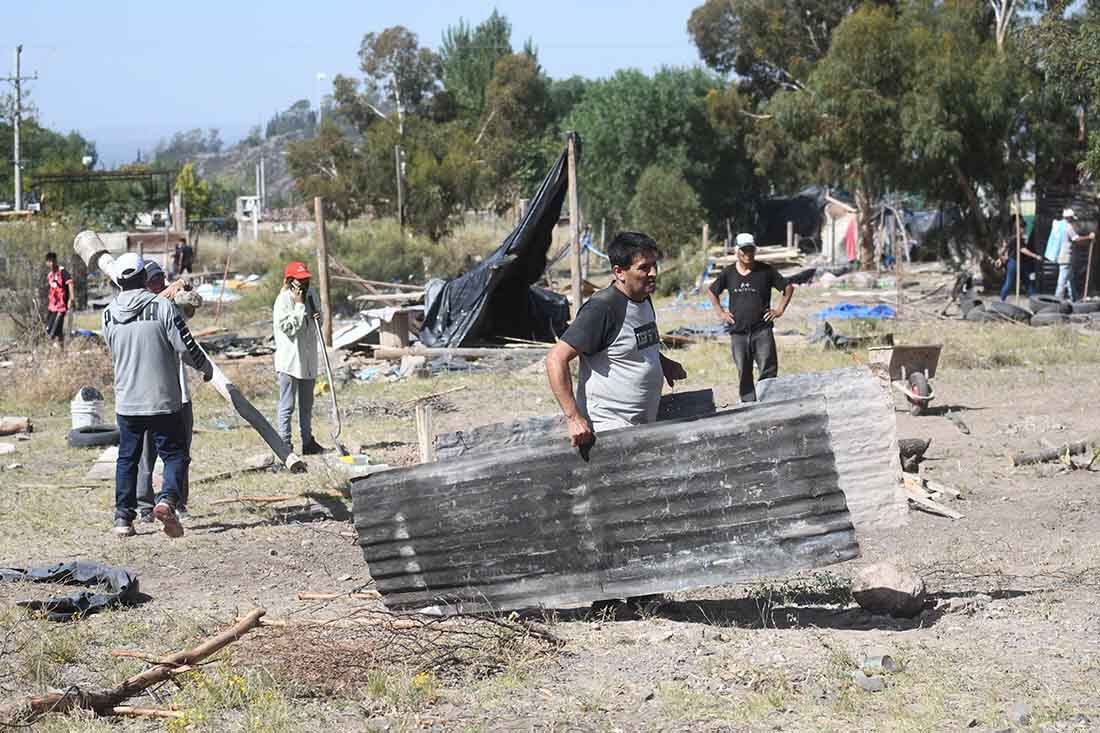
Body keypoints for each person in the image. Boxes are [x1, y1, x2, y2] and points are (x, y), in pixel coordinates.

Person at [102, 253, 213, 538]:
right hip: (162, 399)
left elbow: (114, 349)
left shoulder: (107, 313)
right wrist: (205, 367)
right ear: (143, 278)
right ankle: (166, 501)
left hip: (127, 401)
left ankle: (123, 519)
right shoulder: (162, 307)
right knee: (175, 454)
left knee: (127, 458)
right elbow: (186, 347)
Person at [546, 232, 687, 448]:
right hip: (609, 431)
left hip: (641, 424)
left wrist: (663, 363)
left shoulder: (642, 298)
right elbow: (556, 358)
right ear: (619, 272)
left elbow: (629, 344)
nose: (654, 273)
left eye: (654, 265)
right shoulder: (603, 309)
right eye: (644, 268)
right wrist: (573, 418)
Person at [135, 261, 195, 524]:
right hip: (149, 394)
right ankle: (145, 505)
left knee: (180, 454)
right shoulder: (138, 309)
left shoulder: (169, 306)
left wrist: (182, 292)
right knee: (146, 453)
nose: (159, 283)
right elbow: (149, 306)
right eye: (153, 280)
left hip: (178, 393)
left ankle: (177, 501)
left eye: (162, 279)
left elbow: (191, 307)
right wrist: (167, 292)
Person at [706, 233, 794, 403]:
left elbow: (788, 287)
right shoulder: (729, 273)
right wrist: (721, 312)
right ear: (736, 251)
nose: (748, 253)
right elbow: (712, 291)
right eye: (744, 250)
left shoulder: (765, 271)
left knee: (768, 370)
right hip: (738, 332)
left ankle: (769, 403)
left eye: (751, 249)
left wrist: (780, 309)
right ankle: (749, 406)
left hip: (762, 330)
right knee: (743, 372)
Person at [274, 261, 326, 455]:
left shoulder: (312, 295)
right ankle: (284, 445)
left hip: (308, 359)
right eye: (299, 280)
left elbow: (318, 323)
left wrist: (318, 316)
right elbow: (288, 328)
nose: (303, 284)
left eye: (306, 279)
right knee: (287, 406)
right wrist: (298, 306)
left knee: (306, 406)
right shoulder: (284, 300)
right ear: (290, 281)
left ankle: (308, 442)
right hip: (290, 362)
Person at [1046, 208, 1095, 301]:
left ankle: (1074, 297)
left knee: (1069, 278)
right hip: (1066, 256)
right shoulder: (1067, 226)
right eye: (1072, 218)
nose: (1073, 220)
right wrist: (1089, 236)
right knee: (1063, 279)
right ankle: (1057, 299)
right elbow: (1075, 238)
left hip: (1060, 254)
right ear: (1069, 218)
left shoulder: (1058, 225)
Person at [44, 252, 75, 347]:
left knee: (52, 330)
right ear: (47, 263)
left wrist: (71, 298)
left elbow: (70, 282)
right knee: (54, 329)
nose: (52, 263)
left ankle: (50, 350)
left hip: (60, 307)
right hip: (52, 306)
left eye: (53, 261)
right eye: (50, 261)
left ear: (56, 261)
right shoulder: (50, 275)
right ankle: (61, 350)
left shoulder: (62, 272)